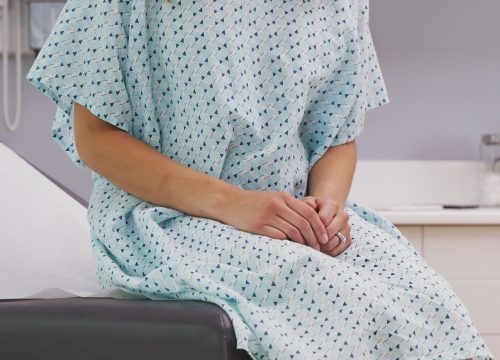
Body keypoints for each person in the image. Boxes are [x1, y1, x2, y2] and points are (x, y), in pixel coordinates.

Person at [26, 0, 493, 358]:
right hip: (165, 219)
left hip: (290, 222)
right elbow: (96, 136)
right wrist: (237, 206)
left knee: (428, 300)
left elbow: (337, 137)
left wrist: (324, 210)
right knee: (328, 297)